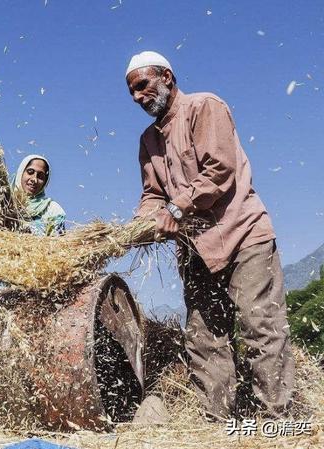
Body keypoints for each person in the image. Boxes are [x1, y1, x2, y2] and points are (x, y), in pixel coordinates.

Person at [125, 51, 294, 420]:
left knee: (259, 328)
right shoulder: (148, 142)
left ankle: (275, 422)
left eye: (143, 86)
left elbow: (220, 169)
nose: (138, 97)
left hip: (242, 234)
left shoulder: (204, 107)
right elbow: (153, 194)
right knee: (203, 336)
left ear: (167, 77)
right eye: (132, 93)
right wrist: (138, 225)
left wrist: (176, 208)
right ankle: (217, 422)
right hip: (196, 247)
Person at [12, 154, 66, 236]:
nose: (34, 179)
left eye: (40, 176)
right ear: (21, 173)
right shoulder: (4, 203)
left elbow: (58, 244)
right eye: (30, 172)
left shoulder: (53, 210)